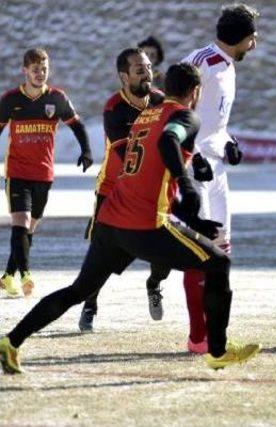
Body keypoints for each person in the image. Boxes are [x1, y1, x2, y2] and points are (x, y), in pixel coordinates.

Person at [0, 63, 261, 375]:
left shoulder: (144, 118)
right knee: (219, 263)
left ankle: (11, 341)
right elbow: (169, 142)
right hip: (143, 223)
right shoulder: (185, 116)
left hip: (112, 220)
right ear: (196, 92)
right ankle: (217, 350)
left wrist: (196, 221)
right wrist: (187, 181)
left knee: (78, 290)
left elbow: (151, 180)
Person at [180, 3, 258, 354]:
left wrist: (229, 143)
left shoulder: (226, 64)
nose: (254, 45)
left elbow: (214, 122)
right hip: (193, 167)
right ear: (240, 38)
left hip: (216, 166)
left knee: (222, 249)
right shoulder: (202, 63)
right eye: (252, 37)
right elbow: (176, 112)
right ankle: (200, 338)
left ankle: (216, 334)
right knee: (201, 251)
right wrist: (191, 156)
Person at [78, 48, 168, 332]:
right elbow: (123, 155)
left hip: (151, 189)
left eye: (149, 68)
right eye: (139, 70)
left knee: (165, 247)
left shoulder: (160, 102)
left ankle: (153, 285)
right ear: (123, 76)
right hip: (113, 189)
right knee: (101, 253)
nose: (147, 74)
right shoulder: (114, 108)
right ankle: (90, 304)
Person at [0, 48, 93, 298]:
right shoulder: (10, 100)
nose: (40, 74)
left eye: (44, 69)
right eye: (35, 70)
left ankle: (8, 275)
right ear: (25, 71)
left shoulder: (57, 99)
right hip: (17, 172)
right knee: (20, 223)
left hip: (44, 174)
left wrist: (86, 151)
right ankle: (26, 274)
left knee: (29, 228)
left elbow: (77, 125)